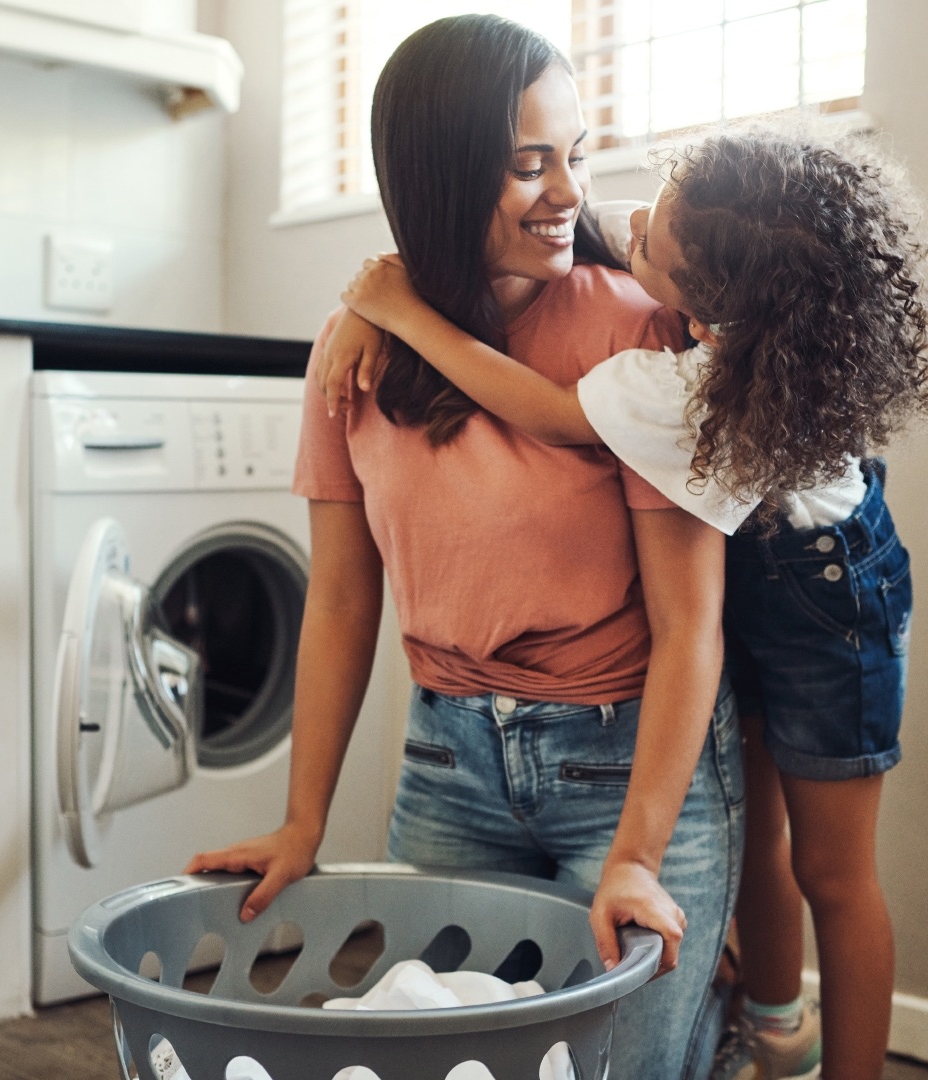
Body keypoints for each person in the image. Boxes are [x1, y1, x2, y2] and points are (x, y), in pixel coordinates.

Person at [184, 15, 743, 1079]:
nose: (570, 194)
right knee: (446, 1061)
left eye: (575, 155)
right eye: (529, 165)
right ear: (439, 176)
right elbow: (344, 602)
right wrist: (300, 824)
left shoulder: (635, 332)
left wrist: (636, 851)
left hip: (625, 757)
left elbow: (691, 626)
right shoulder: (354, 354)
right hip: (448, 762)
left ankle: (718, 1022)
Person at [321, 125, 928, 1080]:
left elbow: (550, 413)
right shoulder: (693, 244)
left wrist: (403, 316)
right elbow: (478, 219)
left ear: (701, 309)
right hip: (746, 562)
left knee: (835, 870)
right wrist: (388, 283)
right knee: (759, 825)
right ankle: (776, 1024)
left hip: (830, 593)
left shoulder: (685, 382)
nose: (627, 222)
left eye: (650, 242)